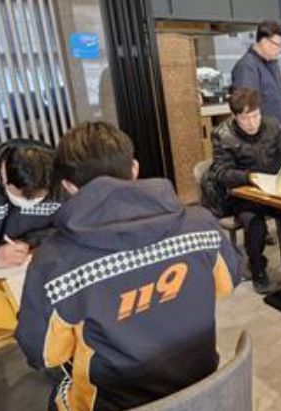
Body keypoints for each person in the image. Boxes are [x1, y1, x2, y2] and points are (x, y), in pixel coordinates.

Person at [15, 122, 241, 411]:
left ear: (69, 187)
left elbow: (43, 354)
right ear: (134, 169)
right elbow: (229, 281)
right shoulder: (202, 226)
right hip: (204, 389)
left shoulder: (53, 264)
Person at [210, 88, 281, 294]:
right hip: (243, 195)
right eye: (245, 118)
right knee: (255, 226)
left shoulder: (272, 125)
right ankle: (257, 269)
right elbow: (221, 173)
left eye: (255, 116)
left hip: (273, 190)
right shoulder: (222, 134)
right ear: (234, 116)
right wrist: (249, 177)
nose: (252, 123)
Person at [0, 139, 62, 268]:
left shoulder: (58, 180)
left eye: (38, 197)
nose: (30, 203)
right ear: (4, 178)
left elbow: (67, 226)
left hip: (32, 263)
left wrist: (29, 241)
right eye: (22, 196)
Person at [231, 20, 281, 135]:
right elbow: (248, 109)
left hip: (278, 133)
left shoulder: (272, 64)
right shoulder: (247, 67)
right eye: (278, 45)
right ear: (264, 42)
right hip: (263, 137)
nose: (280, 49)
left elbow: (279, 100)